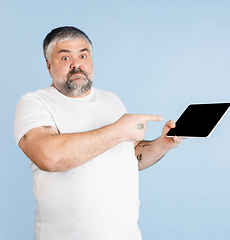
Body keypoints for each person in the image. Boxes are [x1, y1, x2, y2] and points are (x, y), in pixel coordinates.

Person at [13, 26, 183, 240]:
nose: (77, 64)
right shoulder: (35, 102)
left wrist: (162, 144)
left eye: (83, 55)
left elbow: (130, 156)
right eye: (65, 58)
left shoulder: (111, 100)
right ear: (48, 65)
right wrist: (119, 130)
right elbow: (49, 156)